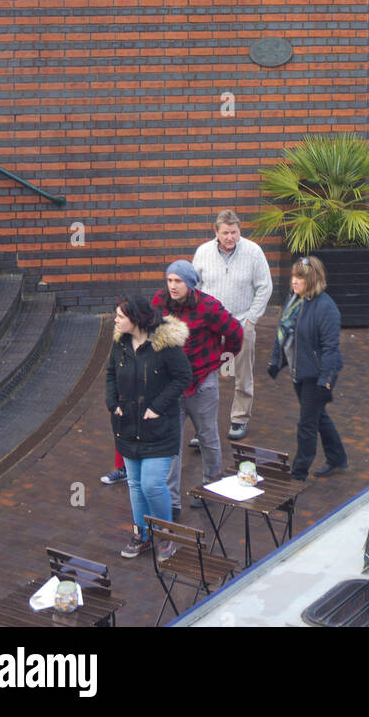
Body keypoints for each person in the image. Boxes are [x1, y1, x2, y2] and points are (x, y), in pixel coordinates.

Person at [153, 260, 243, 513]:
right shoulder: (159, 301)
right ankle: (171, 501)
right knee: (171, 442)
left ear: (190, 283)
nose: (172, 285)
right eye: (169, 280)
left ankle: (210, 490)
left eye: (178, 281)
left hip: (201, 382)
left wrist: (221, 357)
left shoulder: (209, 307)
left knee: (207, 438)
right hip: (171, 386)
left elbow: (235, 331)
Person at [105, 294, 191, 559]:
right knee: (135, 484)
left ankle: (165, 536)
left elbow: (183, 377)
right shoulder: (119, 344)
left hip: (159, 428)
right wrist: (112, 403)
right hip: (128, 425)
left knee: (152, 484)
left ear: (136, 319)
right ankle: (140, 535)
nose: (116, 320)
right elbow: (110, 374)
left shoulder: (165, 346)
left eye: (120, 316)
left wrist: (157, 407)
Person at [192, 210, 272, 443]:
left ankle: (239, 419)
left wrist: (251, 320)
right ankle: (203, 428)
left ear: (240, 230)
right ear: (215, 232)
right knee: (204, 375)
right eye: (225, 233)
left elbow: (264, 287)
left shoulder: (254, 252)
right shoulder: (203, 252)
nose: (230, 237)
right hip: (209, 326)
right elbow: (194, 287)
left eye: (234, 232)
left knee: (242, 374)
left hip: (240, 322)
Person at [267, 256, 346, 482]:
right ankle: (338, 457)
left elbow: (330, 349)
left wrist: (325, 382)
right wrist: (275, 361)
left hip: (317, 374)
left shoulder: (327, 308)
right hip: (298, 370)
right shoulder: (293, 299)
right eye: (294, 276)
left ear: (312, 280)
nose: (294, 281)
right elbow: (282, 331)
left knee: (307, 423)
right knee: (317, 416)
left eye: (300, 277)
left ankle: (298, 473)